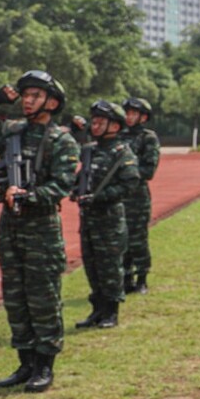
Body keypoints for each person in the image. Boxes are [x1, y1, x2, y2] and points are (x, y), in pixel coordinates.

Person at [0, 71, 79, 392]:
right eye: (25, 95)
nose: (27, 100)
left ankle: (44, 365)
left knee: (43, 296)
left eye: (35, 96)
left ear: (52, 102)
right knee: (15, 296)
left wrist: (31, 194)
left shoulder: (61, 140)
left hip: (41, 227)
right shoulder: (10, 132)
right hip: (10, 224)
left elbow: (62, 185)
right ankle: (25, 363)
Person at [72, 101, 141, 330]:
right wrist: (76, 190)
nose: (96, 125)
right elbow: (81, 177)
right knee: (91, 265)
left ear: (115, 126)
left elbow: (130, 184)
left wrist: (100, 197)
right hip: (89, 219)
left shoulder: (121, 152)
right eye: (95, 121)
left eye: (102, 121)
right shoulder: (90, 150)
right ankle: (98, 309)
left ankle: (111, 311)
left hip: (109, 219)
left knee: (110, 267)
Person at [119, 97, 160, 294]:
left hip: (137, 196)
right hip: (118, 195)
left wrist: (127, 171)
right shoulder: (117, 135)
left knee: (138, 239)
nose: (129, 117)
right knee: (120, 238)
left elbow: (148, 170)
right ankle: (125, 278)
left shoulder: (147, 137)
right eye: (127, 112)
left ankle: (141, 278)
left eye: (133, 113)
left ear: (143, 117)